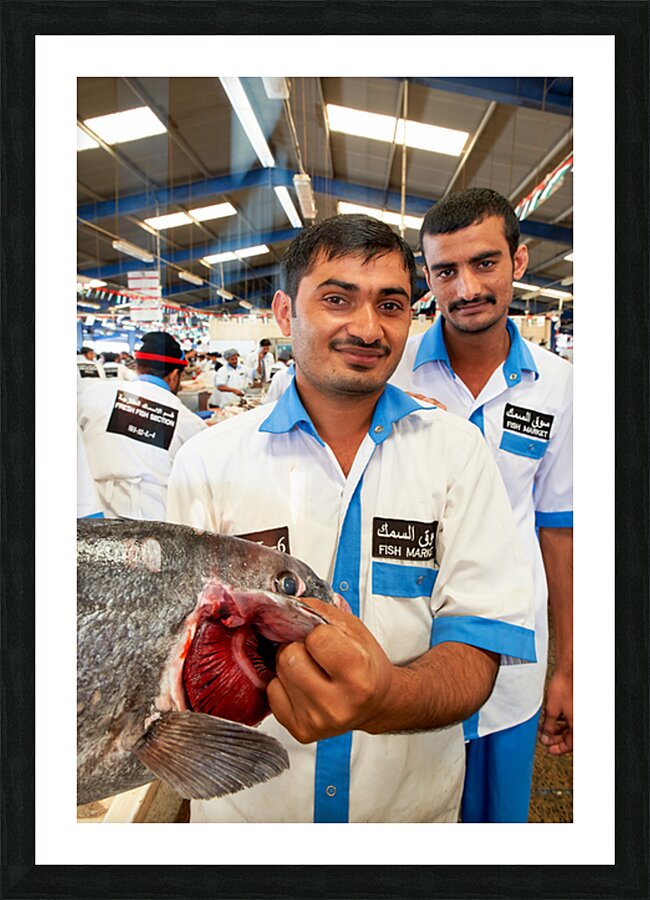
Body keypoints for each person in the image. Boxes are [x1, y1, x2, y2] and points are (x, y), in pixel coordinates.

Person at [167, 214, 535, 824]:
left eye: (390, 304)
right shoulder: (209, 462)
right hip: (254, 824)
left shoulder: (455, 451)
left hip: (406, 822)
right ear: (285, 313)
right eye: (337, 299)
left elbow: (479, 640)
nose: (367, 328)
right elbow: (181, 656)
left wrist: (386, 697)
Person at [391, 187, 573, 823]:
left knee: (495, 831)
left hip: (511, 657)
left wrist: (567, 670)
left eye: (485, 263)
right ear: (427, 277)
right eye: (445, 270)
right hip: (404, 648)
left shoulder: (559, 386)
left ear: (518, 261)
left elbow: (559, 532)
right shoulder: (394, 370)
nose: (466, 287)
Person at [78, 331, 206, 520]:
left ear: (138, 368)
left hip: (94, 517)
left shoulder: (94, 394)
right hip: (155, 525)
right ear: (173, 375)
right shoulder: (189, 422)